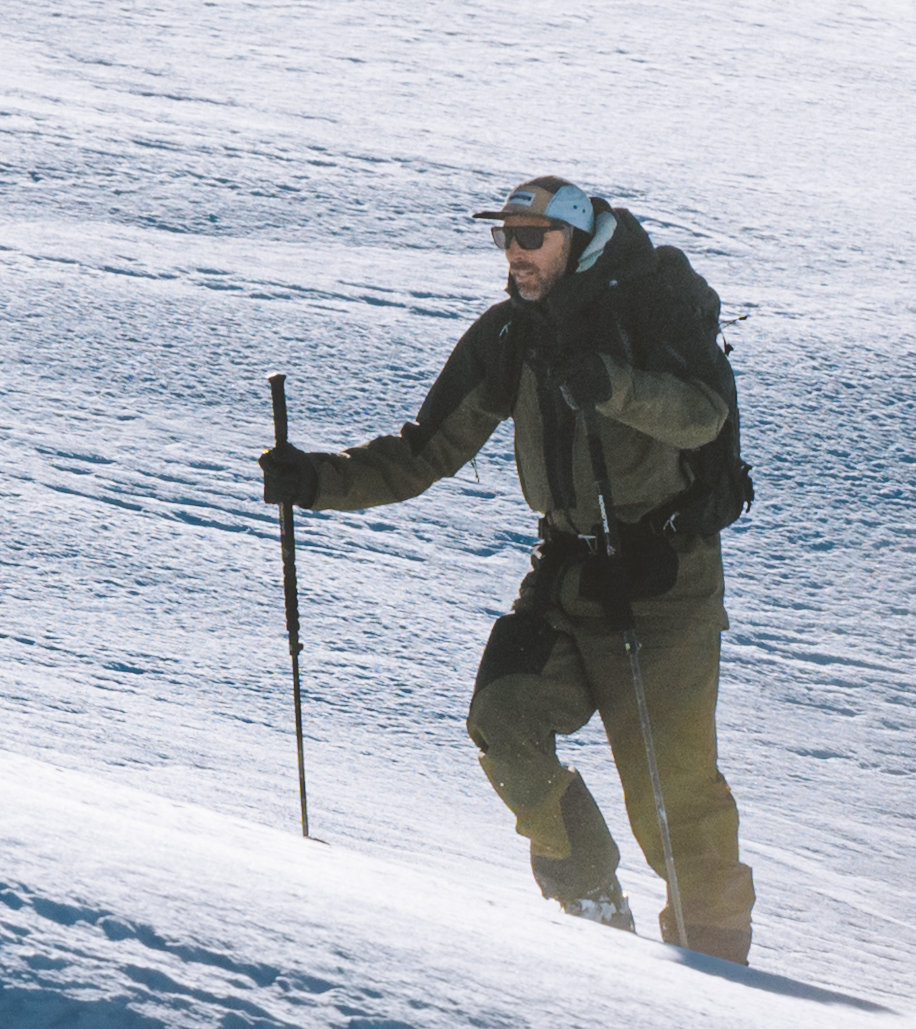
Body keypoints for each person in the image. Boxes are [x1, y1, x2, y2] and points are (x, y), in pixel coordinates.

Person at [261, 175, 762, 962]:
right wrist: (317, 481)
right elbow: (425, 451)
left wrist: (611, 385)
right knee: (505, 716)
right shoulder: (511, 337)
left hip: (666, 582)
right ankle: (592, 907)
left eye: (530, 240)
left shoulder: (649, 308)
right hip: (567, 576)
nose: (514, 255)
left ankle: (719, 965)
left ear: (575, 239)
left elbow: (704, 415)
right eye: (505, 239)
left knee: (674, 795)